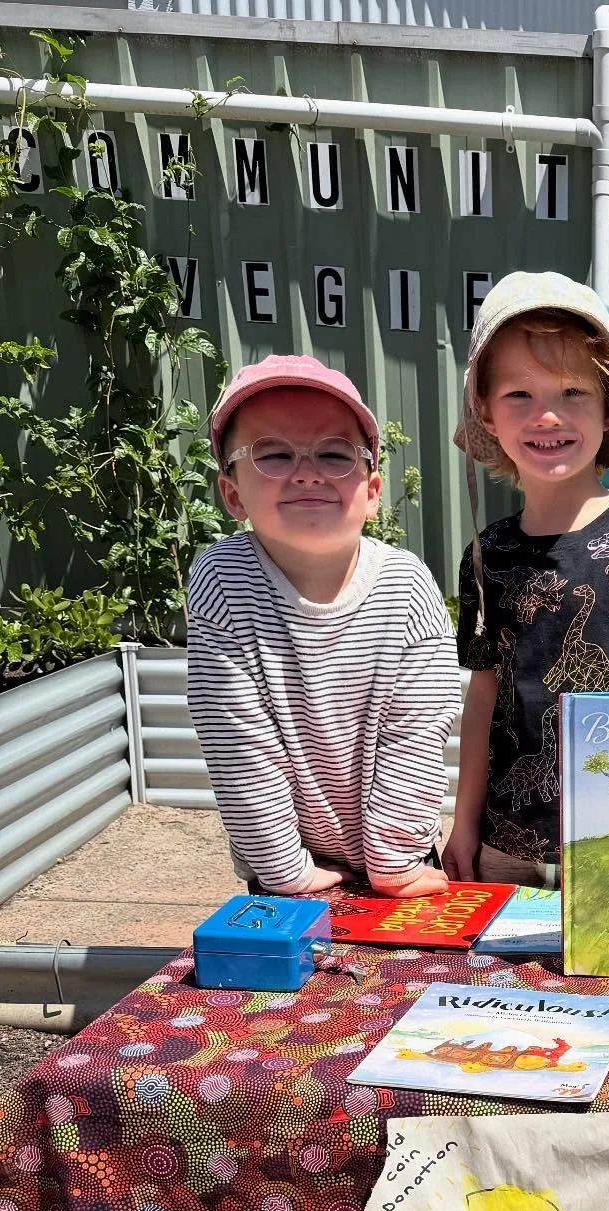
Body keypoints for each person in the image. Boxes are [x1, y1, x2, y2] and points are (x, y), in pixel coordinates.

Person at [445, 272, 609, 888]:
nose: (547, 416)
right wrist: (463, 824)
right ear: (484, 407)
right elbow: (481, 704)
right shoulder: (486, 555)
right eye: (518, 395)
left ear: (608, 402)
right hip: (503, 850)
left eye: (572, 391)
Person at [187, 355, 459, 898]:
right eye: (273, 454)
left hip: (400, 853)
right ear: (232, 494)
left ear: (373, 490)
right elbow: (237, 742)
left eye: (335, 454)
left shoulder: (407, 586)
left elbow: (419, 730)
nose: (307, 471)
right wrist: (286, 870)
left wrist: (394, 860)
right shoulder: (221, 580)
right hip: (286, 859)